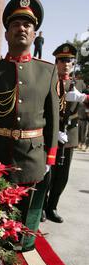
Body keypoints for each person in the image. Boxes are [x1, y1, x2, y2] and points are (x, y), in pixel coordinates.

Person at [0, 0, 59, 265]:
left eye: (27, 24)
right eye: (15, 24)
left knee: (18, 216)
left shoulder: (47, 71)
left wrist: (49, 158)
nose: (21, 28)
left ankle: (7, 264)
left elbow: (53, 119)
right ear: (7, 32)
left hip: (30, 156)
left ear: (34, 33)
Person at [44, 44, 87, 223]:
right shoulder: (49, 81)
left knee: (62, 176)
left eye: (69, 60)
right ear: (56, 62)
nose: (66, 64)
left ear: (74, 63)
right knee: (47, 173)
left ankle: (52, 206)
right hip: (51, 134)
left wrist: (83, 97)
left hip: (69, 135)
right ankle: (41, 207)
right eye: (62, 60)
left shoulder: (79, 84)